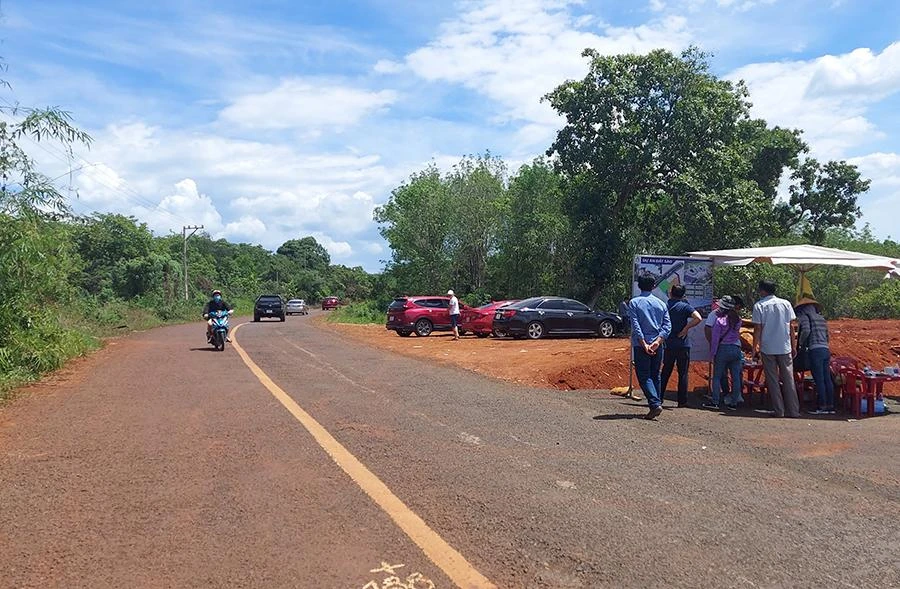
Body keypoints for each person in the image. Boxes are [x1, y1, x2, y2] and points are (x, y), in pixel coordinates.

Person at [752, 280, 800, 418]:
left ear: (763, 291)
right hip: (785, 347)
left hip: (768, 348)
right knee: (789, 379)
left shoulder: (759, 305)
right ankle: (794, 410)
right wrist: (793, 345)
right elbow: (791, 327)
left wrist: (754, 348)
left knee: (772, 380)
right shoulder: (786, 303)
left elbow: (758, 328)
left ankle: (779, 410)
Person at [628, 275, 672, 420]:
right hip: (657, 345)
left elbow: (636, 326)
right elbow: (667, 326)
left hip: (641, 345)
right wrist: (658, 342)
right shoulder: (661, 304)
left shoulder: (634, 302)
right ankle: (657, 402)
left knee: (644, 375)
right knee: (655, 375)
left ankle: (654, 404)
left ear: (639, 286)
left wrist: (643, 343)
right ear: (653, 286)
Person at [660, 285, 702, 408]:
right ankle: (682, 401)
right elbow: (698, 318)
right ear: (683, 295)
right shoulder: (685, 306)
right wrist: (686, 329)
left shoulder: (665, 306)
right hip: (683, 344)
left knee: (665, 371)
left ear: (671, 293)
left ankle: (659, 398)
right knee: (683, 373)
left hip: (669, 344)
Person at [704, 295, 745, 411]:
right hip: (736, 349)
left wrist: (713, 353)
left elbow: (715, 339)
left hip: (723, 349)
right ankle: (734, 402)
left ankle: (715, 401)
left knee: (717, 376)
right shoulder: (737, 319)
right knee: (736, 377)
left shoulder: (719, 320)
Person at [795, 297, 834, 415]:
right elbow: (827, 336)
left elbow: (806, 331)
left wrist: (801, 342)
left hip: (815, 350)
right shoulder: (822, 319)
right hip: (825, 349)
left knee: (819, 379)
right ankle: (831, 405)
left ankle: (822, 406)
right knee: (827, 378)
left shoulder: (805, 317)